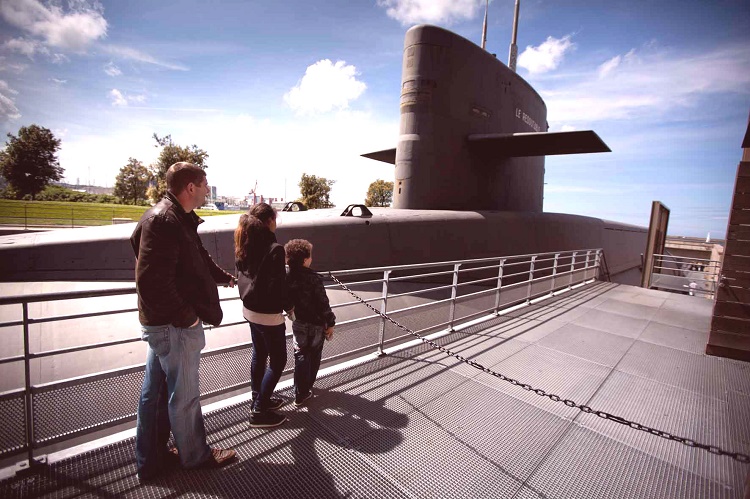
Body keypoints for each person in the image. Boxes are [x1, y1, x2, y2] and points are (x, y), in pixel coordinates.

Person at [131, 162, 237, 481]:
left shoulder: (174, 217)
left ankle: (150, 460)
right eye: (204, 184)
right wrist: (187, 318)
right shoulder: (165, 220)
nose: (207, 189)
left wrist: (223, 278)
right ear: (190, 187)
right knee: (185, 396)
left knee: (155, 394)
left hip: (162, 324)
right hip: (173, 327)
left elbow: (196, 258)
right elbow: (151, 281)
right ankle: (195, 456)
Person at [235, 202, 293, 427]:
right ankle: (259, 410)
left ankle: (257, 398)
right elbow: (280, 286)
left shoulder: (244, 243)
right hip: (268, 315)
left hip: (249, 310)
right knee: (278, 361)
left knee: (259, 354)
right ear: (270, 221)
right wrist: (290, 308)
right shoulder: (274, 248)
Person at [284, 239, 336, 406]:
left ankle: (299, 391)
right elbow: (323, 303)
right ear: (306, 259)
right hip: (316, 325)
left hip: (298, 323)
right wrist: (331, 322)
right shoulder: (314, 279)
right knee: (314, 356)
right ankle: (306, 388)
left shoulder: (287, 276)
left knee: (300, 355)